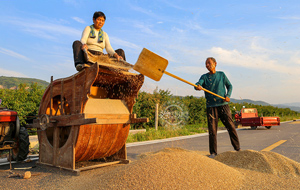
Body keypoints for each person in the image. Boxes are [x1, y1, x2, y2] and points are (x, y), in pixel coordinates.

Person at [195, 57, 240, 158]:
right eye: (206, 64)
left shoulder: (221, 75)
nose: (207, 65)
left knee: (231, 127)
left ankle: (238, 149)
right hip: (211, 107)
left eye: (209, 63)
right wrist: (197, 86)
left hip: (223, 105)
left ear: (215, 64)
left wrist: (228, 96)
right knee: (212, 131)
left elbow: (230, 86)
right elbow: (198, 84)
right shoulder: (204, 77)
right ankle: (213, 153)